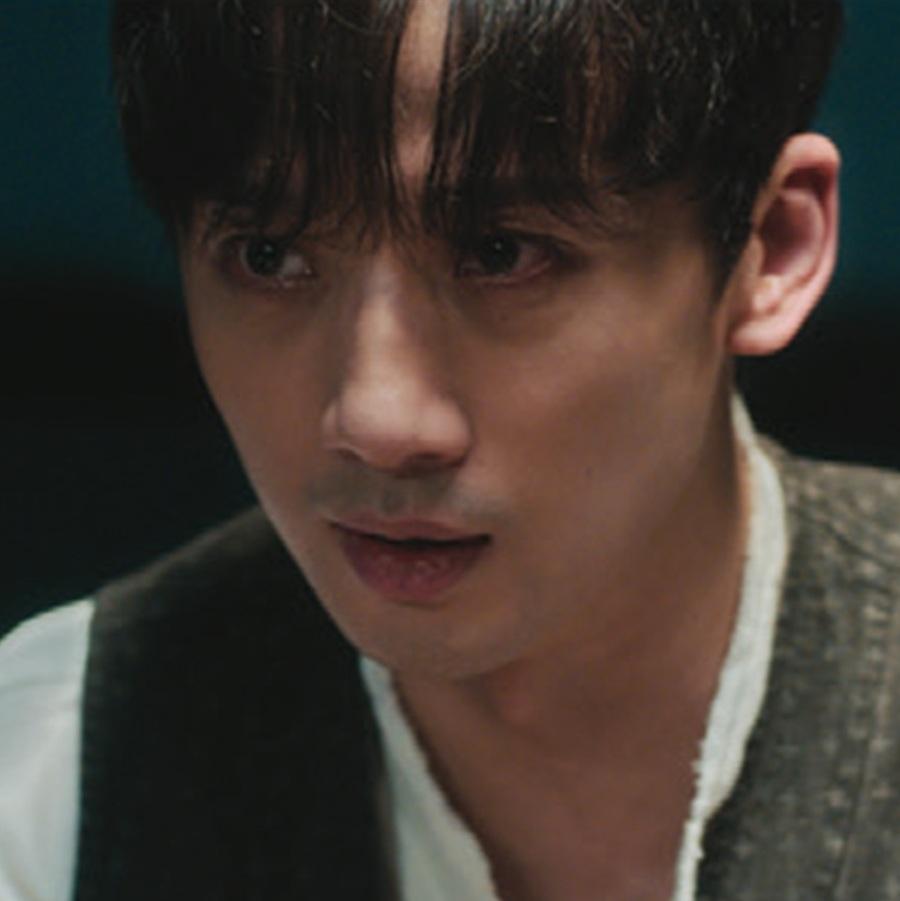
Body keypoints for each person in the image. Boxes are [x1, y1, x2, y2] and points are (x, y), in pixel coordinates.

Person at [2, 0, 899, 898]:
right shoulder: (59, 774)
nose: (378, 421)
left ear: (770, 246)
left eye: (502, 253)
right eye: (268, 256)